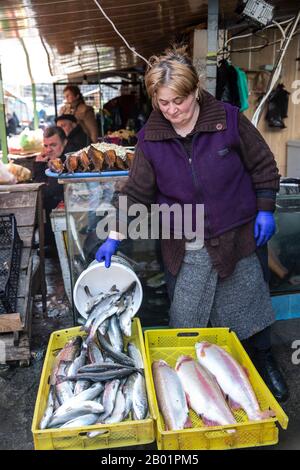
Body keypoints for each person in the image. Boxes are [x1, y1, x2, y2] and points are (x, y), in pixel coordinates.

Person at [95, 46, 289, 402]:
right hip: (187, 241)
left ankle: (264, 362)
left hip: (237, 234)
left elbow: (263, 164)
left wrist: (265, 207)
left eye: (178, 101)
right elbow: (136, 191)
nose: (171, 111)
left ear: (195, 91)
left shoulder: (228, 119)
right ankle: (198, 383)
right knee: (188, 318)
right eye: (163, 103)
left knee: (250, 309)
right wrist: (114, 236)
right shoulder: (150, 139)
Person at [33, 126, 67, 255]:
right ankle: (47, 241)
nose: (48, 150)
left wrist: (39, 166)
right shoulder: (53, 160)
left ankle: (51, 244)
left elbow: (44, 192)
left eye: (53, 145)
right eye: (45, 145)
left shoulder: (65, 161)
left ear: (64, 142)